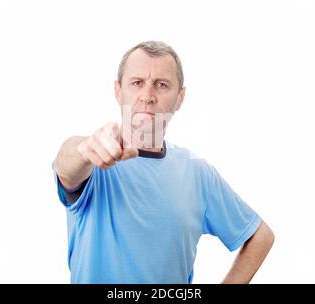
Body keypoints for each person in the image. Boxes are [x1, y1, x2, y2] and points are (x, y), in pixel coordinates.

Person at [53, 41, 274, 283]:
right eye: (137, 83)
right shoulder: (95, 161)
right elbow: (67, 165)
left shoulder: (197, 174)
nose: (147, 96)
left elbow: (260, 236)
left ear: (180, 98)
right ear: (118, 91)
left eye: (161, 85)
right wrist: (84, 150)